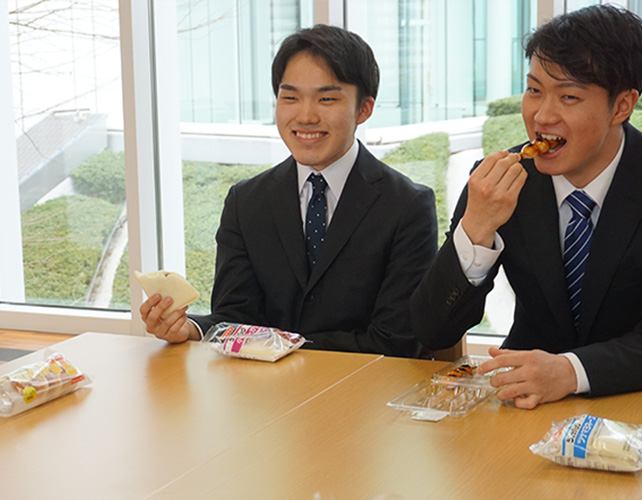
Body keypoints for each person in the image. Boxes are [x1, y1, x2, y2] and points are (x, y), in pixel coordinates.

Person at [411, 5, 642, 406]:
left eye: (568, 96)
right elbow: (432, 331)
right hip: (521, 405)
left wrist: (569, 372)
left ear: (622, 106)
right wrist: (475, 229)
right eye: (534, 90)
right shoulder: (499, 182)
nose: (541, 115)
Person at [141, 24, 438, 358]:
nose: (306, 116)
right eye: (290, 98)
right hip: (263, 387)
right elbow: (236, 317)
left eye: (326, 99)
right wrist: (189, 329)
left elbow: (394, 341)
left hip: (363, 385)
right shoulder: (245, 202)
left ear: (364, 109)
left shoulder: (407, 206)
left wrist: (280, 346)